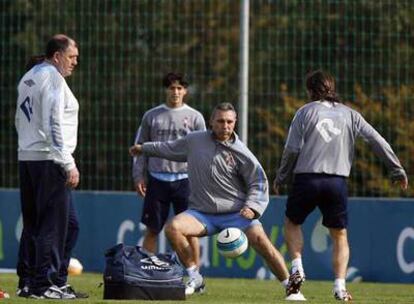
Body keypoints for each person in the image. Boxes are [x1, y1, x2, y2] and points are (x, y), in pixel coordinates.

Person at [130, 102, 306, 301]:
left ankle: (291, 288)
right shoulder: (195, 141)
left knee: (262, 242)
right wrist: (143, 148)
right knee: (173, 228)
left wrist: (253, 208)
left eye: (230, 121)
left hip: (236, 213)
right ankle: (195, 277)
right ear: (211, 122)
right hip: (201, 214)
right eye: (221, 121)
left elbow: (258, 182)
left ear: (235, 123)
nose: (225, 126)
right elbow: (169, 148)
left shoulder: (241, 152)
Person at [273, 70, 408, 301]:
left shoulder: (304, 112)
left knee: (292, 222)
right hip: (337, 181)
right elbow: (377, 140)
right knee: (340, 235)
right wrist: (396, 168)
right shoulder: (350, 114)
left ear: (309, 90)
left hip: (307, 178)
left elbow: (292, 149)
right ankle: (339, 287)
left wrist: (282, 176)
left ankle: (297, 268)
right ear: (332, 88)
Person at [15, 34, 87, 299]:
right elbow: (53, 123)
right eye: (72, 57)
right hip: (50, 160)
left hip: (28, 158)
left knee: (42, 224)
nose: (75, 62)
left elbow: (19, 120)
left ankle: (32, 281)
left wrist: (25, 147)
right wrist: (68, 162)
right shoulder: (54, 78)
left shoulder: (29, 76)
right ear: (57, 56)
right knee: (52, 226)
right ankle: (44, 284)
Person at [132, 72, 206, 263]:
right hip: (157, 180)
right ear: (166, 90)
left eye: (179, 88)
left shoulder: (195, 117)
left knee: (190, 232)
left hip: (185, 180)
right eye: (171, 88)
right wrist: (139, 176)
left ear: (185, 91)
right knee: (152, 229)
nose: (175, 92)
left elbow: (202, 152)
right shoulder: (151, 116)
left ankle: (195, 276)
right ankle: (147, 271)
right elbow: (141, 147)